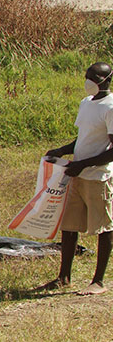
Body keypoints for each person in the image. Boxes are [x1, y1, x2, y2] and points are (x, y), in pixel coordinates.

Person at [38, 62, 113, 296]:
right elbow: (82, 138)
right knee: (69, 226)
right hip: (76, 174)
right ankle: (64, 277)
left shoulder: (110, 107)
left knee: (103, 227)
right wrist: (62, 151)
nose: (88, 80)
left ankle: (98, 281)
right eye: (87, 75)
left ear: (106, 79)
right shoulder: (86, 103)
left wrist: (83, 165)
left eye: (93, 77)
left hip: (97, 177)